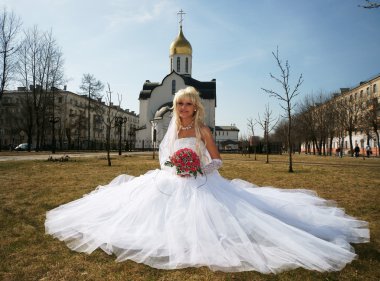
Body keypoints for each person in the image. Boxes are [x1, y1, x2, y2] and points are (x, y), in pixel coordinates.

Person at [45, 86, 369, 273]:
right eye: (180, 103)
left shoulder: (202, 129)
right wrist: (176, 166)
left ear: (195, 106)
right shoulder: (171, 128)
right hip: (171, 179)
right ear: (175, 106)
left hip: (200, 181)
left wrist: (198, 168)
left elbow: (217, 159)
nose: (184, 108)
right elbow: (164, 155)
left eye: (189, 103)